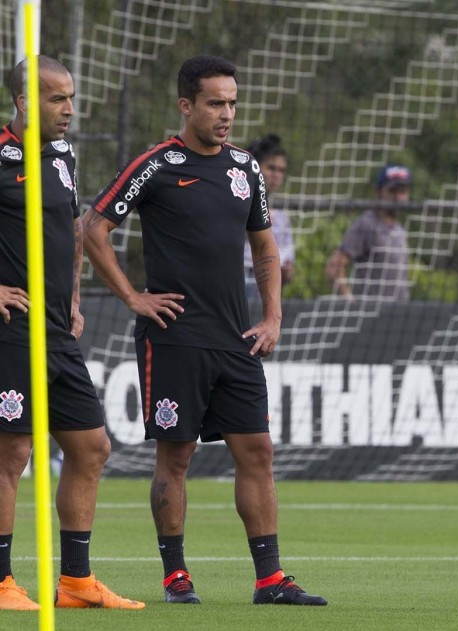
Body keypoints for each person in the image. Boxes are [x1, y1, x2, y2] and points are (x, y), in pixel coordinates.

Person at [82, 55, 326, 607]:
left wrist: (272, 317)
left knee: (258, 451)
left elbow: (265, 247)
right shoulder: (155, 164)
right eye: (215, 103)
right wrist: (132, 296)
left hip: (235, 338)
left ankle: (270, 579)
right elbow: (94, 228)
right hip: (174, 337)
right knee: (176, 458)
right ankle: (175, 576)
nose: (227, 114)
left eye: (232, 103)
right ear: (186, 105)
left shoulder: (246, 169)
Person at [0, 56, 144, 611]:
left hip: (58, 331)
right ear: (23, 101)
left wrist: (77, 297)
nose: (69, 110)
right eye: (57, 98)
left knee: (91, 447)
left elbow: (74, 230)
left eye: (71, 98)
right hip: (12, 330)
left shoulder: (62, 156)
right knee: (12, 452)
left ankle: (77, 583)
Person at [324, 165, 411, 301]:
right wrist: (350, 301)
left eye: (403, 192)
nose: (398, 197)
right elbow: (333, 268)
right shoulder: (367, 224)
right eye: (392, 191)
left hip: (399, 314)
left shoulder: (399, 230)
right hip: (370, 314)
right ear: (378, 192)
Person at [244, 134, 295, 303]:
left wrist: (286, 272)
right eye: (271, 168)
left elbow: (288, 273)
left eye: (281, 170)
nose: (276, 175)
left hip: (264, 295)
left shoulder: (282, 217)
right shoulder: (236, 204)